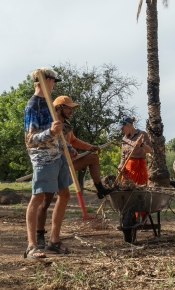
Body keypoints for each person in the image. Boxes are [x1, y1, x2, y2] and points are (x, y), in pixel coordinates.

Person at [35, 95, 113, 248]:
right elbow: (49, 142)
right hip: (51, 163)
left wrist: (88, 146)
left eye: (72, 107)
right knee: (45, 202)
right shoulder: (51, 123)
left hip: (65, 163)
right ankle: (39, 236)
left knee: (92, 158)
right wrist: (68, 149)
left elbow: (73, 141)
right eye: (68, 107)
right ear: (59, 108)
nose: (71, 110)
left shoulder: (67, 126)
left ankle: (100, 188)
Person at [23, 68, 72, 260]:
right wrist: (50, 133)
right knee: (37, 198)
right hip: (42, 158)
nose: (54, 85)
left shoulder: (48, 104)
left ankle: (54, 240)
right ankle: (31, 246)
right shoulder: (32, 106)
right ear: (46, 81)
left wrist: (66, 145)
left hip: (57, 155)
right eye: (53, 81)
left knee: (65, 194)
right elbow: (30, 139)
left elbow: (56, 131)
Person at [117, 116, 153, 185]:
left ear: (128, 125)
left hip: (139, 169)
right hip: (127, 170)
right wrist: (121, 165)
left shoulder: (142, 134)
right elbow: (123, 156)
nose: (121, 130)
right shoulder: (124, 139)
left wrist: (141, 144)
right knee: (126, 190)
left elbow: (149, 150)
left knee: (139, 191)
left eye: (122, 128)